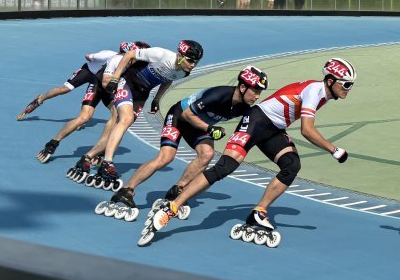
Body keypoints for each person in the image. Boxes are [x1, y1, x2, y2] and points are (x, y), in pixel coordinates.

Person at [148, 58, 358, 244]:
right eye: (346, 84)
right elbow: (307, 130)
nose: (349, 88)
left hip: (274, 129)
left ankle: (258, 212)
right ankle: (173, 207)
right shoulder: (315, 91)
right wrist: (334, 149)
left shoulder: (323, 94)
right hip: (257, 120)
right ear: (330, 81)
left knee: (291, 165)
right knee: (225, 167)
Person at [108, 66, 268, 214]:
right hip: (180, 116)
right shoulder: (219, 95)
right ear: (242, 87)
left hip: (198, 125)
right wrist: (210, 129)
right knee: (166, 157)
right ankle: (127, 190)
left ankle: (178, 189)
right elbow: (187, 115)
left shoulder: (245, 108)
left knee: (207, 154)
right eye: (255, 91)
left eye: (259, 92)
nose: (257, 96)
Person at [71, 40, 203, 186]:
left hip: (142, 95)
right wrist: (115, 78)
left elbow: (169, 79)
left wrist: (157, 99)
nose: (193, 65)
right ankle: (107, 161)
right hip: (127, 84)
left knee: (123, 124)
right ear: (180, 56)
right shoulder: (160, 54)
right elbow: (129, 55)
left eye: (196, 62)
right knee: (125, 120)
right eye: (190, 61)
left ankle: (88, 156)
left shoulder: (184, 72)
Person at [22, 40, 148, 123]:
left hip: (99, 79)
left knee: (112, 109)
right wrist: (92, 57)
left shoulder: (126, 62)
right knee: (64, 89)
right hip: (87, 72)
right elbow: (88, 56)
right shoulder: (107, 55)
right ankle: (40, 99)